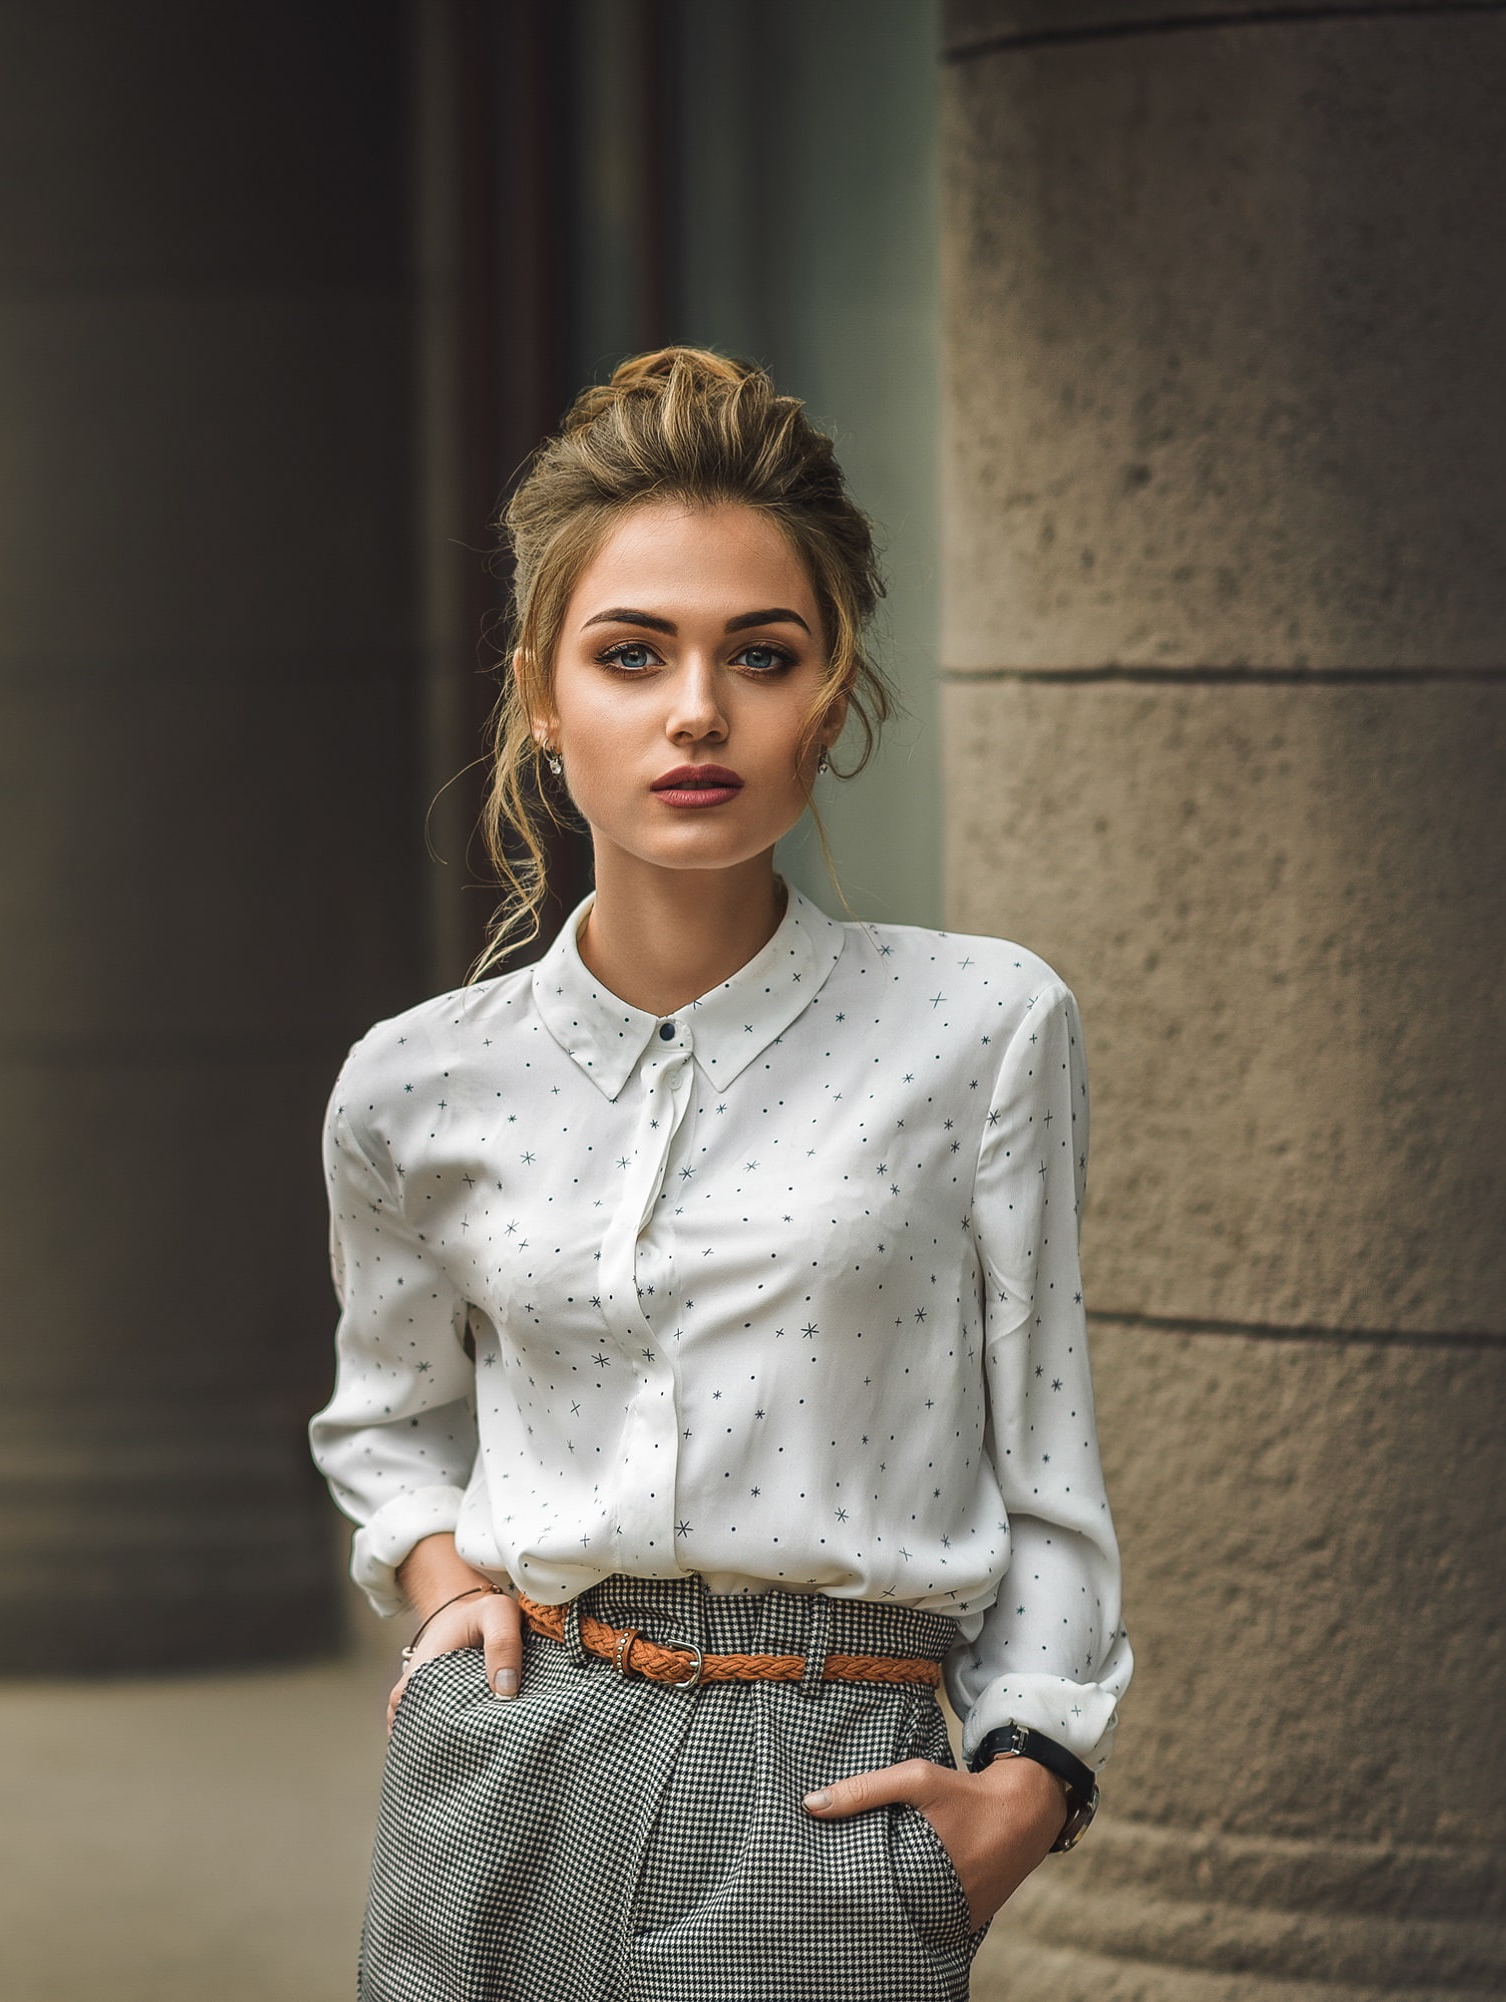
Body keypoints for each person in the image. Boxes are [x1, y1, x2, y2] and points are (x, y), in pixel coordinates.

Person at [310, 348, 1130, 2000]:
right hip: (515, 1755)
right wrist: (441, 1580)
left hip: (828, 1786)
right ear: (547, 695)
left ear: (830, 693)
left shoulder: (979, 1026)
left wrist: (1027, 1786)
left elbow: (1048, 1461)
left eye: (762, 654)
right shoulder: (415, 1081)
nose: (700, 711)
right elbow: (387, 1415)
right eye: (634, 654)